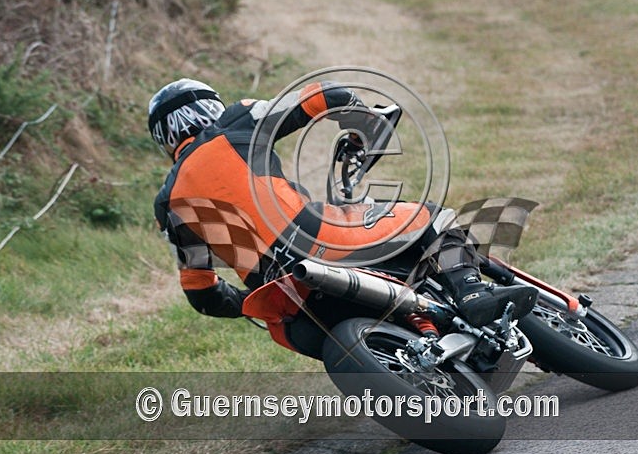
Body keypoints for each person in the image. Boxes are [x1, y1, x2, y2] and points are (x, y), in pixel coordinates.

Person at [149, 78, 536, 357]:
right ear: (208, 106)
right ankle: (471, 292)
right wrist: (365, 123)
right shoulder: (236, 122)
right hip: (324, 243)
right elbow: (324, 96)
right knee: (432, 219)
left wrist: (243, 299)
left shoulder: (168, 202)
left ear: (165, 139)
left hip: (289, 308)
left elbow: (202, 293)